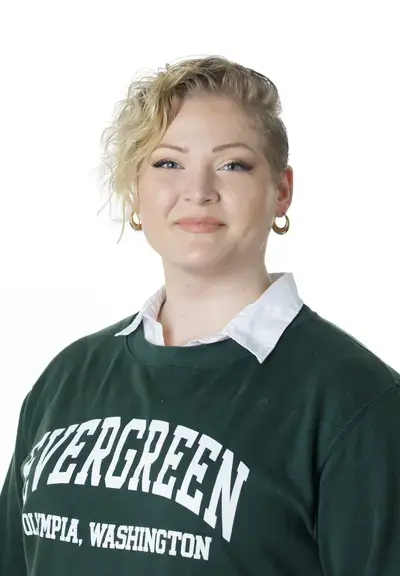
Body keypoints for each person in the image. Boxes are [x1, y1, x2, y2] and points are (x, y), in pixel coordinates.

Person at [1, 55, 399, 576]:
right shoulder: (65, 380)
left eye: (233, 164)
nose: (198, 190)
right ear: (136, 192)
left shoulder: (356, 404)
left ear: (281, 191)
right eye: (168, 163)